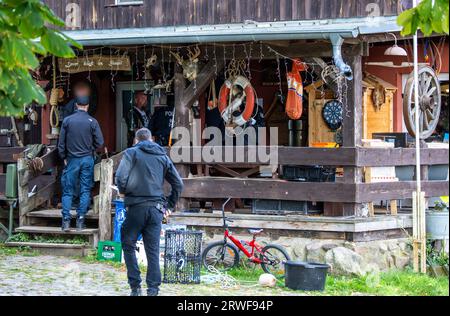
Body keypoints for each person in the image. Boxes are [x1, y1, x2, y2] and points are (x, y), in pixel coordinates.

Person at [115, 128, 184, 296]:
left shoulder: (131, 152)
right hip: (156, 209)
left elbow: (120, 177)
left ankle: (135, 286)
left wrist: (124, 191)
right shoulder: (162, 156)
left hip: (136, 207)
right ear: (151, 139)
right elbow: (179, 184)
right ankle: (153, 290)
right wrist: (169, 205)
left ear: (136, 140)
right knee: (152, 250)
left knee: (128, 243)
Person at [58, 96, 104, 232]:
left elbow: (61, 143)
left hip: (71, 159)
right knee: (85, 189)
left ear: (76, 105)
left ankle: (66, 221)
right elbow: (100, 142)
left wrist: (64, 157)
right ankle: (80, 221)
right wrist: (91, 149)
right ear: (87, 106)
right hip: (87, 159)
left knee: (68, 190)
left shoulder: (67, 121)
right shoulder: (92, 121)